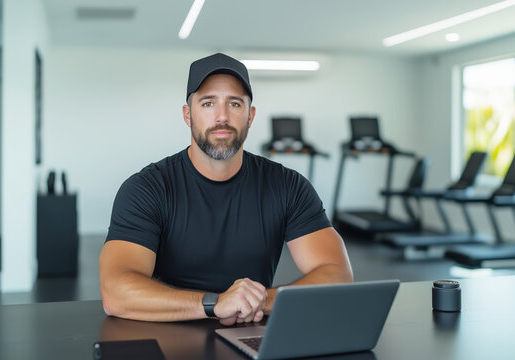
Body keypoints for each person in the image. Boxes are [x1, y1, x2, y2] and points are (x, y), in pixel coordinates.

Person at [99, 53, 353, 325]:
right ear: (188, 115)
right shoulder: (147, 189)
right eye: (208, 103)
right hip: (167, 330)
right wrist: (215, 303)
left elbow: (337, 275)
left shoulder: (289, 186)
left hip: (250, 329)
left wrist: (260, 300)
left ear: (250, 115)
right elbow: (116, 292)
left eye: (234, 103)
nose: (222, 117)